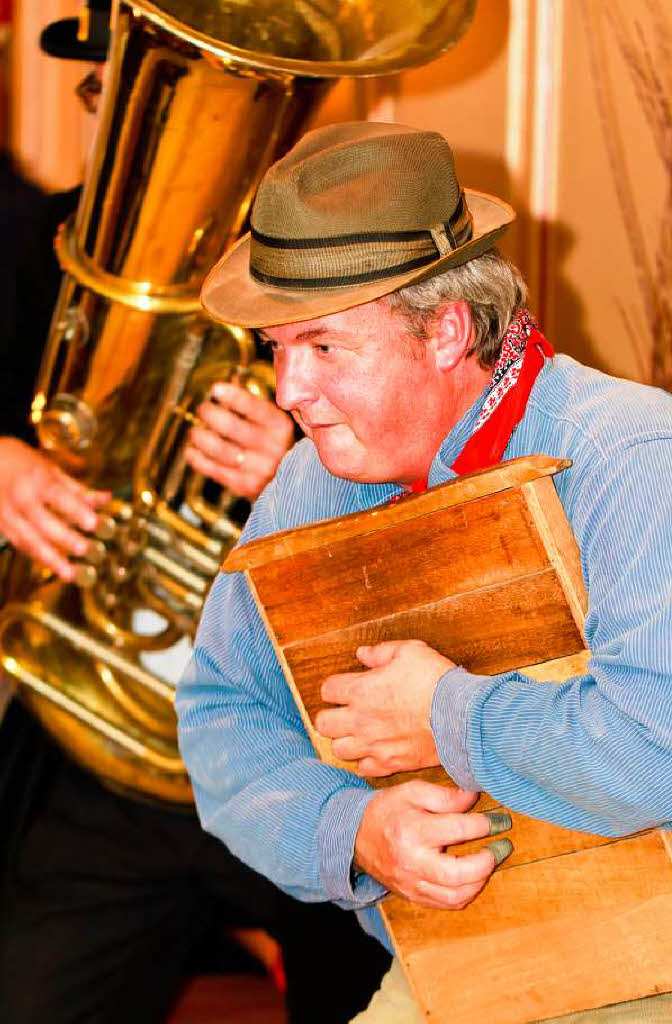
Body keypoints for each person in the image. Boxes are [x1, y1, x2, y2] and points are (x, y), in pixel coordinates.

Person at [176, 121, 672, 1022]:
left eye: (325, 348)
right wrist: (355, 831)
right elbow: (222, 713)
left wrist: (446, 716)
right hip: (466, 958)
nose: (288, 390)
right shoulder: (311, 480)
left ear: (447, 330)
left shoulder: (637, 456)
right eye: (277, 348)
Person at [0, 12, 391, 1024]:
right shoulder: (21, 248)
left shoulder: (354, 283)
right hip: (103, 759)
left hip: (305, 749)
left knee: (387, 999)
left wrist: (304, 472)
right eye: (125, 103)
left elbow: (447, 483)